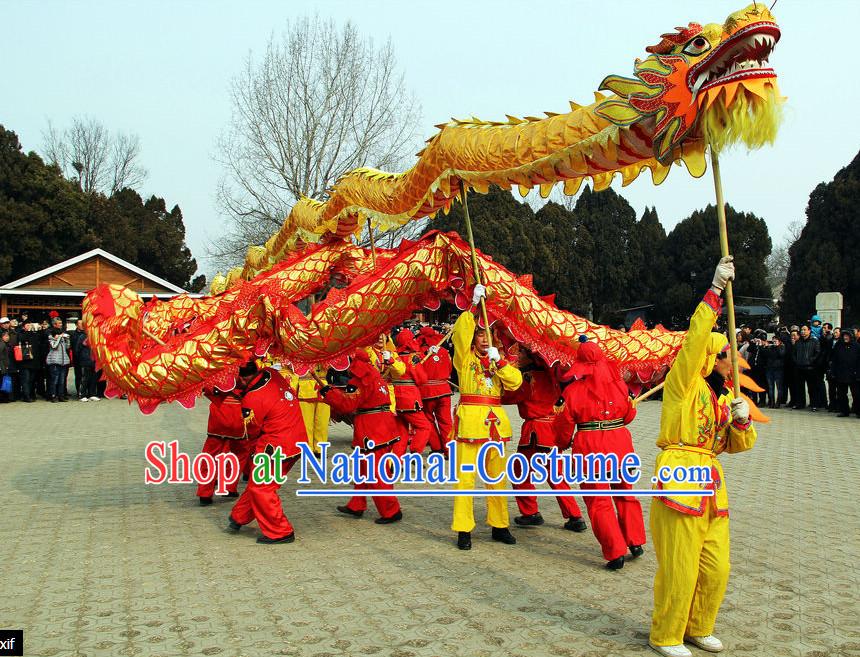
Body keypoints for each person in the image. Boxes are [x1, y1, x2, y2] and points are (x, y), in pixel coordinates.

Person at [649, 256, 757, 657]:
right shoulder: (683, 385)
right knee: (680, 567)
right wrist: (713, 292)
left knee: (716, 567)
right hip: (680, 473)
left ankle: (698, 627)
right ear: (713, 356)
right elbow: (694, 340)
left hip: (712, 484)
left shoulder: (727, 397)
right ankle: (666, 634)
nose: (735, 360)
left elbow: (737, 446)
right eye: (729, 353)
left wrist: (742, 423)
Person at [554, 339, 645, 570]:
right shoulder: (619, 385)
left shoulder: (572, 391)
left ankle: (615, 553)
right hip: (620, 443)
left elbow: (564, 425)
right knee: (625, 492)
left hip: (590, 446)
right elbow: (628, 416)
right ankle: (635, 541)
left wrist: (562, 443)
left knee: (598, 500)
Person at [450, 284, 523, 550]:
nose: (483, 338)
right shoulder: (463, 358)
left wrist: (501, 362)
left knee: (496, 477)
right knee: (465, 478)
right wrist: (472, 305)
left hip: (495, 427)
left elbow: (515, 383)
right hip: (470, 422)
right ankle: (463, 528)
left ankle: (499, 525)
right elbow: (460, 333)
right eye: (479, 334)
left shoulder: (499, 360)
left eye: (487, 334)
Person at [503, 347, 587, 533]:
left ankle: (530, 512)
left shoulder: (528, 377)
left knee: (519, 471)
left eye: (521, 353)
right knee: (555, 475)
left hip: (536, 430)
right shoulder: (552, 374)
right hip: (553, 428)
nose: (518, 356)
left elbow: (510, 397)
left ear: (530, 356)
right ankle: (574, 515)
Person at [227, 360, 309, 544]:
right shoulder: (273, 373)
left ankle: (280, 531)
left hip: (277, 445)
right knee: (260, 481)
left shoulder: (252, 397)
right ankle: (239, 516)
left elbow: (253, 431)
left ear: (240, 377)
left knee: (261, 487)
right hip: (297, 440)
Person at [319, 349, 403, 524]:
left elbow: (347, 404)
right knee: (363, 469)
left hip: (372, 428)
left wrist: (328, 393)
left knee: (376, 472)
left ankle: (391, 510)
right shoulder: (374, 375)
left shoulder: (360, 379)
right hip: (383, 424)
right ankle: (357, 504)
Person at [392, 329, 434, 455]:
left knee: (401, 430)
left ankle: (396, 460)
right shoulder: (413, 358)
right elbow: (421, 379)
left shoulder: (395, 357)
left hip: (396, 397)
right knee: (424, 426)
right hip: (410, 397)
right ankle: (415, 451)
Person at [417, 325, 454, 455]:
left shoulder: (419, 352)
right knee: (446, 421)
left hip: (427, 391)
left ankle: (436, 447)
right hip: (444, 389)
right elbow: (449, 369)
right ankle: (449, 450)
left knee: (428, 420)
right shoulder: (444, 351)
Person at [829, 330, 859, 418]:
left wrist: (858, 373)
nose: (845, 338)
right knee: (841, 394)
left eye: (847, 336)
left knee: (856, 394)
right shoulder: (839, 346)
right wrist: (833, 372)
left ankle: (858, 411)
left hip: (854, 375)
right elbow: (834, 360)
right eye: (844, 336)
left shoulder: (857, 346)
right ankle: (844, 411)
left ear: (851, 337)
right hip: (841, 374)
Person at [792, 325, 822, 411]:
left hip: (810, 368)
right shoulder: (798, 342)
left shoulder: (814, 341)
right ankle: (800, 403)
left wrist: (811, 360)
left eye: (805, 330)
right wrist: (796, 361)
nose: (802, 332)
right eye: (801, 330)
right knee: (799, 387)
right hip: (799, 367)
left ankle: (814, 405)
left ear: (809, 331)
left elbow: (817, 353)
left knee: (812, 388)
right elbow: (793, 353)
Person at [46, 318, 71, 402]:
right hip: (54, 361)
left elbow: (67, 347)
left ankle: (61, 395)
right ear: (54, 324)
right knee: (54, 380)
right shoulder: (51, 335)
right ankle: (53, 395)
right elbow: (54, 346)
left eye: (61, 323)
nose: (61, 324)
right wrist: (60, 337)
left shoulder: (61, 334)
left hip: (63, 361)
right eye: (59, 323)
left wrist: (67, 339)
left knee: (62, 380)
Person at [762, 336, 786, 408]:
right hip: (769, 369)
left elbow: (781, 354)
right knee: (770, 387)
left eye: (776, 341)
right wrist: (765, 347)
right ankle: (772, 402)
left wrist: (777, 346)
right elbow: (766, 355)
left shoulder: (782, 347)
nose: (774, 342)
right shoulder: (770, 347)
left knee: (779, 387)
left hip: (778, 369)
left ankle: (778, 402)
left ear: (779, 341)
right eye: (773, 341)